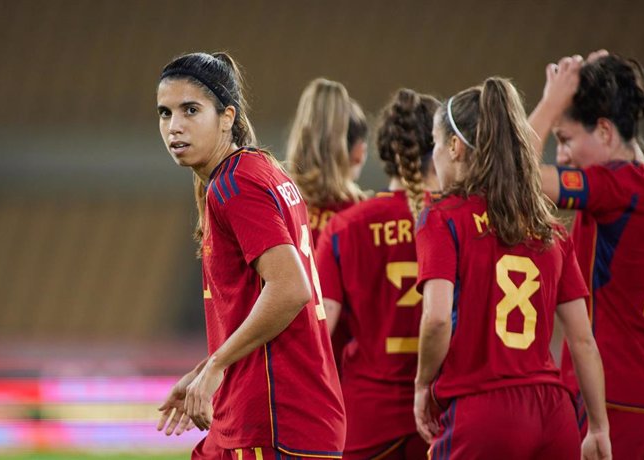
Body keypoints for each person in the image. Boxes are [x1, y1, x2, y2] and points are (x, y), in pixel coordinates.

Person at [154, 52, 345, 460]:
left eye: (191, 110)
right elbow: (255, 305)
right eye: (165, 113)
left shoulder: (236, 185)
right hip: (276, 414)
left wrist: (216, 368)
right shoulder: (258, 171)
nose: (175, 126)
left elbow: (292, 288)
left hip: (274, 420)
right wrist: (202, 370)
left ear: (227, 116)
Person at [414, 77, 611, 459]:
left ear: (454, 147)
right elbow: (583, 340)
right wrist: (599, 427)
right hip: (555, 417)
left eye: (436, 144)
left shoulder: (443, 217)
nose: (435, 157)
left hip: (482, 412)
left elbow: (437, 320)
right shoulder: (549, 229)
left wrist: (423, 384)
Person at [530, 51, 644, 459]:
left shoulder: (615, 188)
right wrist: (604, 77)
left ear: (604, 131)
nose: (560, 155)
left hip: (611, 399)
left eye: (566, 140)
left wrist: (551, 102)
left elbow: (513, 174)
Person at [315, 89, 439, 459]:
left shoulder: (344, 227)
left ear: (383, 153)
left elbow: (321, 328)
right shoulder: (458, 221)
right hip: (442, 415)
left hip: (366, 421)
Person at [286, 78, 369, 371]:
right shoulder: (362, 215)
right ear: (358, 151)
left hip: (287, 368)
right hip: (346, 374)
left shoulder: (280, 202)